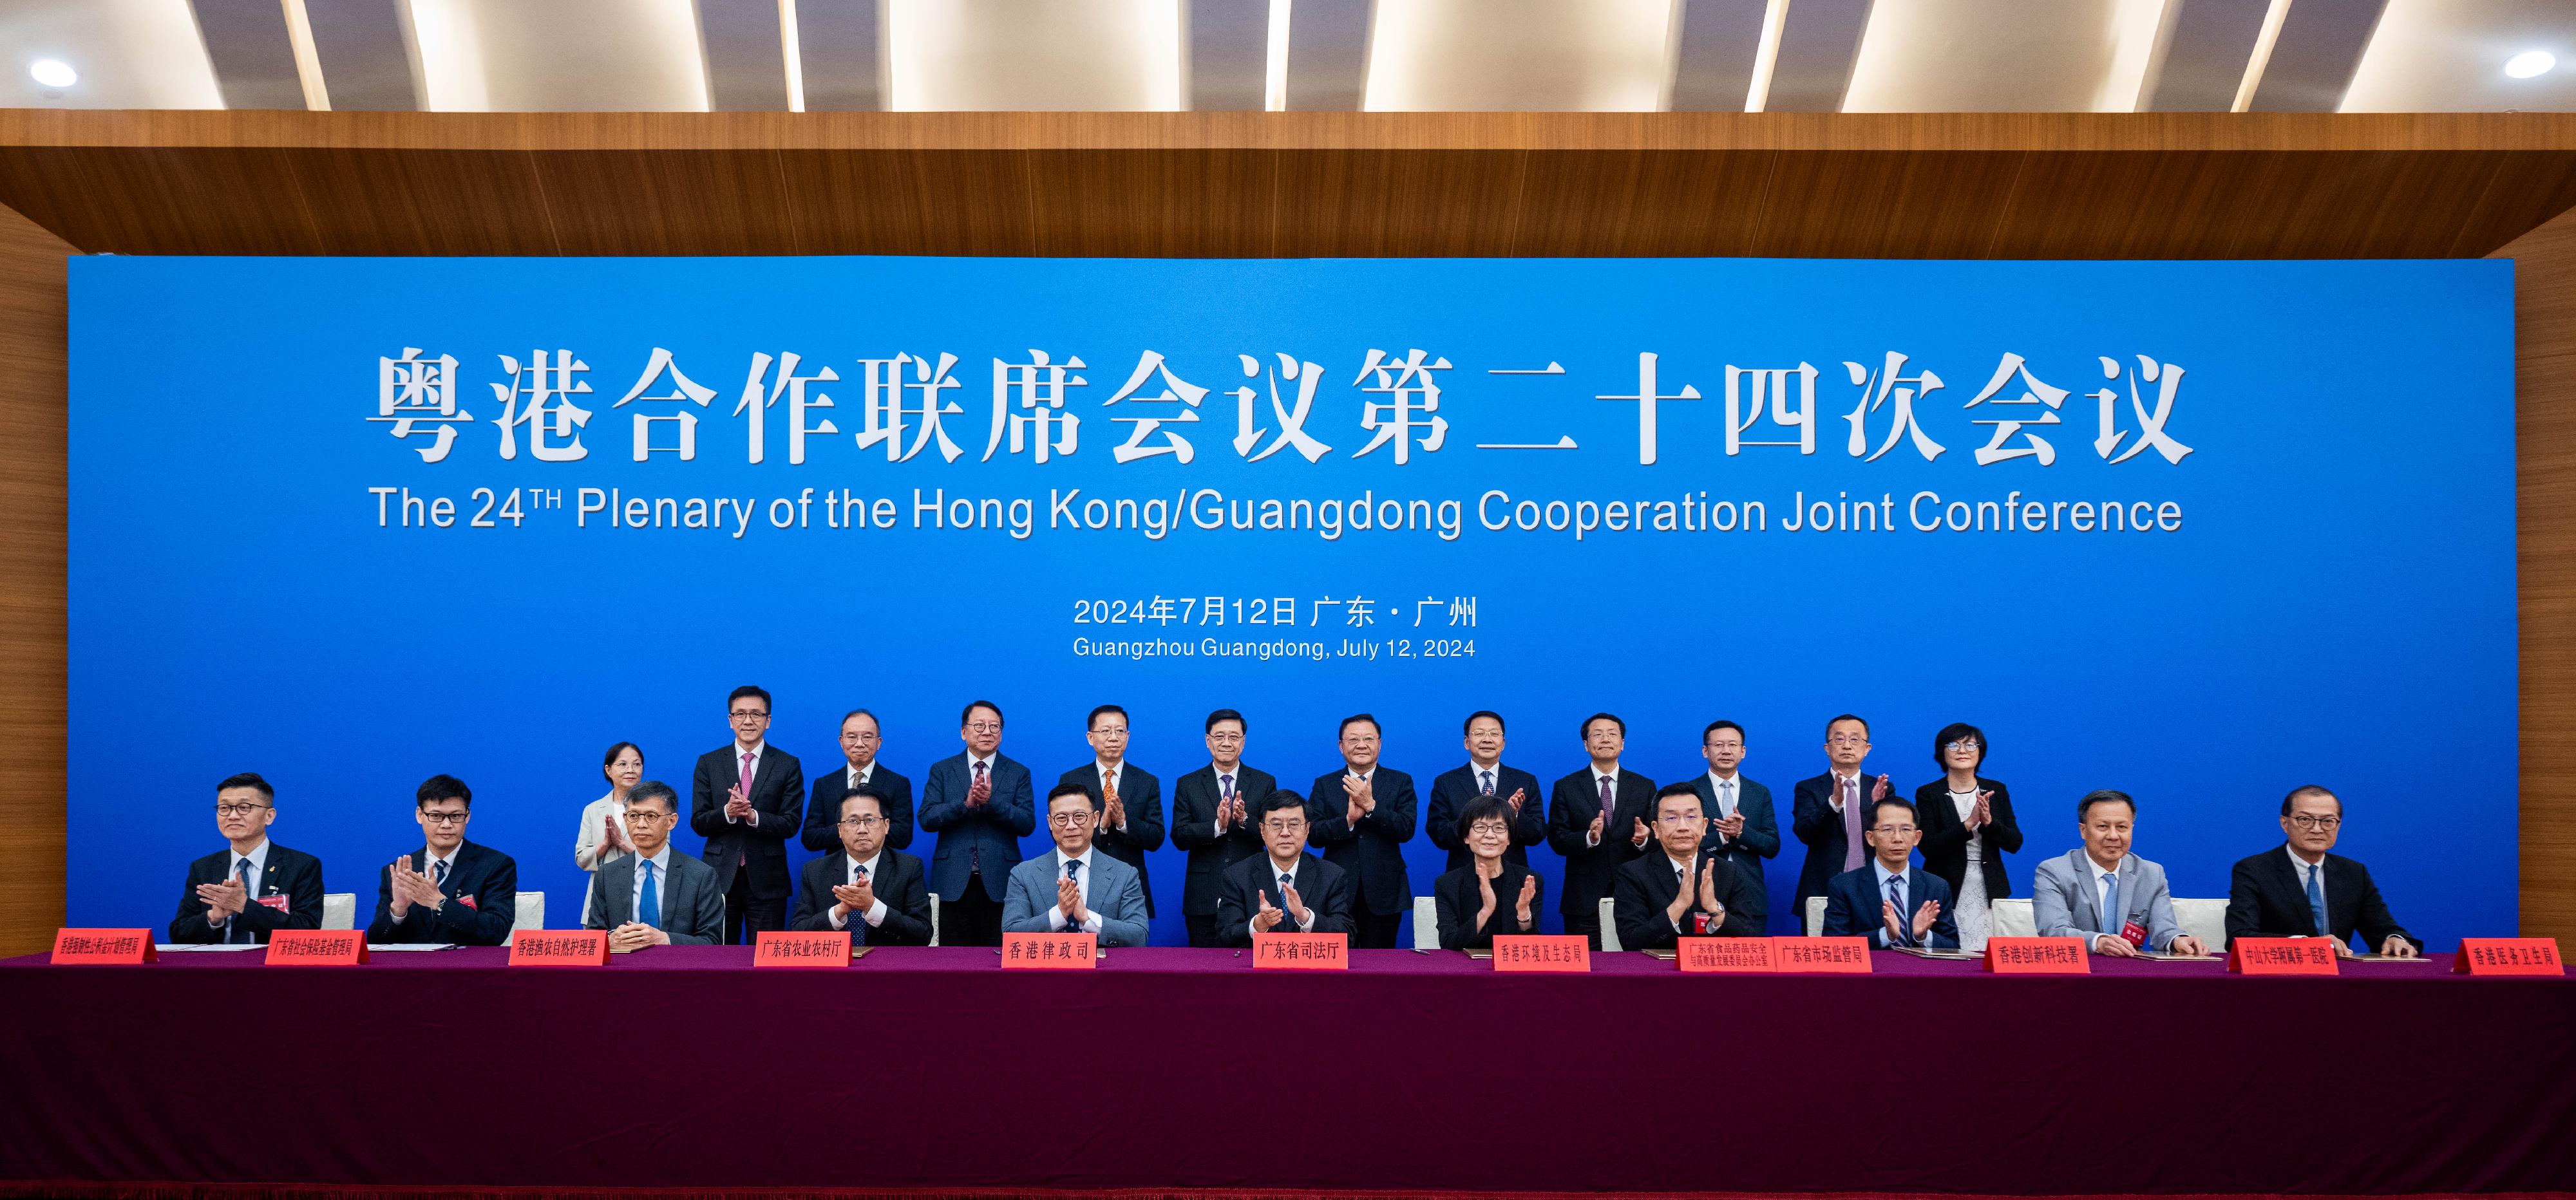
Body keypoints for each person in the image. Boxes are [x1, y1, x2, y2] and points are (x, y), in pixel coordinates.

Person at [2224, 784, 2421, 957]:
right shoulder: (2254, 870)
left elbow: (2381, 927)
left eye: (2328, 821)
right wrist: (2309, 945)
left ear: (2338, 825)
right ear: (2285, 824)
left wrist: (2394, 939)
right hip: (2280, 978)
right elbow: (2240, 937)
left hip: (2338, 981)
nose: (2317, 829)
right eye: (2305, 820)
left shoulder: (2353, 872)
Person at [2030, 790, 2208, 957]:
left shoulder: (2151, 873)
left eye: (2122, 827)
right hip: (2080, 972)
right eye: (2103, 827)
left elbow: (2164, 928)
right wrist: (2099, 942)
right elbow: (2053, 930)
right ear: (2083, 831)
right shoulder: (2054, 871)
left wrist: (2178, 940)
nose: (2113, 836)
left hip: (2132, 972)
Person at [690, 684, 804, 944]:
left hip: (768, 879)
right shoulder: (709, 763)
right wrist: (728, 813)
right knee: (718, 957)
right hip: (719, 878)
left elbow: (791, 823)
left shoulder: (787, 764)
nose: (748, 720)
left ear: (768, 721)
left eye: (756, 714)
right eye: (740, 714)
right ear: (730, 721)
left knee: (766, 960)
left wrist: (753, 817)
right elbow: (698, 821)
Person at [919, 699, 1035, 946]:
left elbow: (1027, 824)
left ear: (1001, 735)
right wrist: (965, 805)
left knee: (998, 960)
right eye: (980, 725)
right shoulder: (942, 770)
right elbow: (927, 818)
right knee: (953, 961)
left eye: (994, 727)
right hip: (952, 882)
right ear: (964, 732)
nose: (987, 732)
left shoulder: (1018, 772)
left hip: (1000, 882)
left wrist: (991, 803)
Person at [169, 772, 323, 944]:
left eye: (244, 807)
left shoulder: (301, 866)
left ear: (269, 816)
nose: (232, 816)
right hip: (216, 968)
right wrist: (214, 917)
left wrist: (243, 906)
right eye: (224, 808)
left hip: (272, 968)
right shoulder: (203, 867)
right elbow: (179, 934)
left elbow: (307, 931)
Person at [1306, 713, 1416, 949]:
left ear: (1380, 743)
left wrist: (1372, 807)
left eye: (1368, 738)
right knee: (1335, 964)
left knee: (1380, 964)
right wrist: (1347, 821)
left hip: (1385, 889)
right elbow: (1313, 835)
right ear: (1341, 746)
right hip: (1336, 888)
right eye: (1353, 740)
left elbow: (1406, 829)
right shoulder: (1325, 784)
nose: (1361, 745)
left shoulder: (1400, 782)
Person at [366, 774, 516, 946]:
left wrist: (439, 902)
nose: (446, 825)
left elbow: (497, 931)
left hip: (468, 969)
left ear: (467, 816)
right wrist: (398, 910)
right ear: (419, 815)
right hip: (411, 970)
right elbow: (375, 943)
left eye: (455, 816)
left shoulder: (495, 865)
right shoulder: (397, 871)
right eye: (436, 816)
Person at [1546, 712, 1655, 948]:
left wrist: (1643, 840)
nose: (1605, 739)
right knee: (1586, 971)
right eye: (1597, 735)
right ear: (1586, 744)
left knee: (1635, 966)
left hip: (1635, 894)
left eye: (1612, 734)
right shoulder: (1566, 787)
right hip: (1583, 897)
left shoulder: (1644, 786)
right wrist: (1588, 838)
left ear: (1623, 743)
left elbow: (1658, 837)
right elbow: (1556, 838)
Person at [1913, 722, 2022, 952]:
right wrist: (1968, 825)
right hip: (1945, 887)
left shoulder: (1996, 790)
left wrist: (1989, 824)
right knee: (1948, 953)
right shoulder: (1928, 794)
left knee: (1987, 956)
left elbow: (2014, 843)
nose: (1962, 750)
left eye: (1970, 744)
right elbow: (1927, 847)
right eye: (1953, 744)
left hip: (1990, 885)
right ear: (1942, 753)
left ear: (1980, 752)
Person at [1614, 783, 1765, 950]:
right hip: (1659, 972)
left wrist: (1715, 910)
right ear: (1656, 829)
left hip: (1712, 971)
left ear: (1705, 826)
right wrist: (1679, 906)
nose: (1683, 827)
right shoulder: (1634, 873)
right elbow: (1631, 942)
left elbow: (1750, 940)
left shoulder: (1728, 872)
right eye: (1671, 818)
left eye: (1691, 817)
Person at [1002, 783, 1151, 946]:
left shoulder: (1125, 874)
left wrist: (1088, 918)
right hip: (1046, 970)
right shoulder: (1023, 874)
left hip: (1102, 970)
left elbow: (1139, 936)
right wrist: (1058, 914)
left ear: (1095, 819)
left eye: (1079, 816)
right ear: (1050, 823)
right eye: (1061, 818)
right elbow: (1010, 934)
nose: (1071, 826)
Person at [1171, 708, 1271, 946]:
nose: (1227, 743)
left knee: (1250, 969)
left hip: (1251, 891)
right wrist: (1217, 826)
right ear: (1208, 741)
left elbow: (1272, 836)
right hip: (1203, 894)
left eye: (1234, 737)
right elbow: (1179, 835)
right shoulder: (1188, 783)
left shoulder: (1264, 782)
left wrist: (1244, 819)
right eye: (1219, 736)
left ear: (1243, 742)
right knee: (1203, 970)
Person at [1056, 704, 1165, 919]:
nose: (1113, 737)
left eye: (1120, 731)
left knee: (1129, 949)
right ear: (1090, 737)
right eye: (1106, 731)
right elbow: (1059, 835)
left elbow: (1156, 838)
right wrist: (1101, 826)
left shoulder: (1146, 782)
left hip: (1130, 885)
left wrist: (1124, 822)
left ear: (1128, 736)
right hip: (1081, 882)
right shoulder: (1071, 780)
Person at [790, 783, 933, 944]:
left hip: (886, 967)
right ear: (840, 830)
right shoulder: (815, 871)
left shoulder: (909, 868)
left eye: (870, 820)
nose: (862, 829)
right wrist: (839, 912)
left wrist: (872, 907)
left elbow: (923, 933)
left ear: (886, 826)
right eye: (853, 821)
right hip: (835, 968)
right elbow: (798, 933)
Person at [585, 782, 723, 947]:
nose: (641, 824)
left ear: (672, 821)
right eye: (634, 816)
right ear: (625, 818)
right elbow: (593, 937)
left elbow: (712, 942)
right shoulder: (608, 874)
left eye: (651, 816)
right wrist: (610, 941)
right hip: (622, 970)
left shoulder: (701, 875)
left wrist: (666, 940)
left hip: (677, 970)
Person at [1216, 790, 1355, 944]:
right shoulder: (1237, 876)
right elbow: (1224, 936)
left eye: (1294, 825)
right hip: (1257, 968)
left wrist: (1305, 917)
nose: (1285, 833)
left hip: (1311, 968)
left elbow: (1347, 936)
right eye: (1276, 825)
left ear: (1307, 829)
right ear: (1262, 830)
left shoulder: (1332, 875)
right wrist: (1257, 926)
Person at [1792, 714, 1897, 915]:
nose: (1847, 745)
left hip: (1874, 888)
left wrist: (1878, 808)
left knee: (1872, 948)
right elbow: (1805, 833)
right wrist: (1833, 804)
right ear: (1827, 748)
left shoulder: (1882, 789)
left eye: (1855, 739)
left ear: (1867, 749)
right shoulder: (1809, 788)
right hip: (1823, 888)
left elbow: (1892, 839)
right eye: (1839, 739)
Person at [1823, 797, 1960, 949]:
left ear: (1917, 837)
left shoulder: (1937, 886)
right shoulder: (1844, 886)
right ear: (1871, 838)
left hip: (1921, 972)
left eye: (1906, 830)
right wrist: (1884, 935)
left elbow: (1953, 945)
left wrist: (1923, 936)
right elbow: (1834, 945)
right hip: (1872, 972)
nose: (1898, 839)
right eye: (1887, 830)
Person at [1426, 710, 1546, 873]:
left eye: (1494, 734)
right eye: (1479, 733)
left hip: (1513, 876)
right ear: (1467, 742)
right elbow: (1439, 834)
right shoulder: (1446, 782)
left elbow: (1538, 834)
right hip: (1462, 877)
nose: (1487, 739)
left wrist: (1513, 815)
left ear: (1503, 743)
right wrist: (1475, 819)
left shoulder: (1525, 781)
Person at [1689, 720, 1779, 931]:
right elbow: (1682, 843)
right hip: (1700, 893)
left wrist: (1741, 833)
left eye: (1733, 745)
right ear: (1705, 751)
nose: (1726, 751)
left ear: (1743, 751)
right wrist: (1721, 837)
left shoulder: (1759, 793)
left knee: (1749, 961)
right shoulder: (1690, 792)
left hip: (1750, 896)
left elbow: (1772, 846)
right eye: (1719, 745)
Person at [1432, 794, 1544, 948]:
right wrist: (1486, 911)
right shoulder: (1447, 884)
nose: (1490, 835)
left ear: (1509, 838)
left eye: (1499, 828)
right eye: (1480, 827)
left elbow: (1531, 949)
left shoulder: (1527, 881)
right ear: (1466, 837)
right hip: (1467, 970)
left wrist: (1523, 914)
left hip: (1510, 971)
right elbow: (1449, 944)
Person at [800, 709, 915, 854]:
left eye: (867, 737)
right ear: (841, 742)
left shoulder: (898, 783)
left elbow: (903, 836)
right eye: (852, 737)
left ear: (878, 742)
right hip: (835, 871)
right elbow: (810, 838)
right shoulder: (824, 784)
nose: (859, 744)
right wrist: (849, 827)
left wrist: (865, 827)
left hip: (883, 869)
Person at [573, 742, 643, 926]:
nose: (631, 770)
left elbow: (663, 854)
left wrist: (621, 842)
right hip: (601, 897)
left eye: (637, 764)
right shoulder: (593, 810)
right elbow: (581, 858)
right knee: (598, 953)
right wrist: (605, 843)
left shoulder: (655, 808)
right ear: (608, 770)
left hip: (642, 894)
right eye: (623, 764)